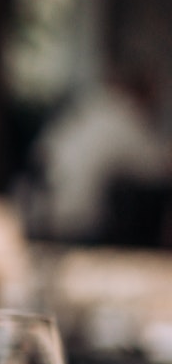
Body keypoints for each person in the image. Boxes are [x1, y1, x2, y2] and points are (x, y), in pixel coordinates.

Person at [32, 65, 168, 244]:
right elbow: (157, 166)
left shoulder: (92, 105)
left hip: (39, 210)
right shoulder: (121, 115)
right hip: (76, 222)